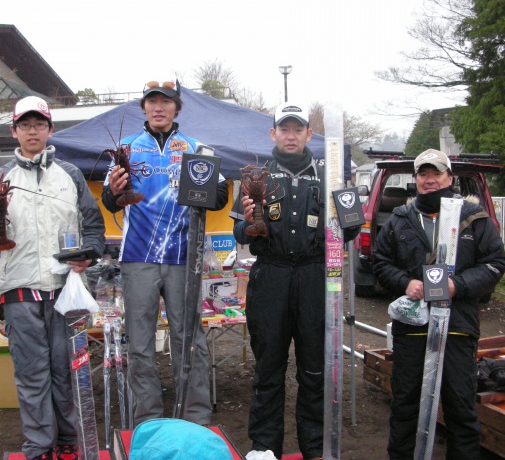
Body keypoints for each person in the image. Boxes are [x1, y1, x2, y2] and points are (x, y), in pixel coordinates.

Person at [0, 96, 106, 460]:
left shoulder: (71, 174)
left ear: (50, 130)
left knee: (66, 371)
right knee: (32, 375)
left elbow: (94, 227)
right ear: (14, 130)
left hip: (65, 291)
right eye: (25, 125)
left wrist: (88, 255)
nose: (33, 131)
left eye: (39, 124)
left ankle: (68, 440)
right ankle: (38, 445)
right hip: (19, 292)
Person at [230, 103, 360, 460]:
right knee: (268, 369)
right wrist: (251, 219)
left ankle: (315, 448)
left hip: (314, 277)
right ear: (273, 133)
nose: (290, 135)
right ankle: (264, 448)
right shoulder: (255, 176)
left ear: (308, 134)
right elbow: (240, 234)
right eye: (284, 129)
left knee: (315, 370)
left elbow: (350, 230)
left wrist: (348, 215)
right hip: (269, 276)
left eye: (297, 129)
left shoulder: (330, 175)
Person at [102, 80, 229, 426]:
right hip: (138, 257)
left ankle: (196, 417)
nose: (159, 107)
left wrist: (201, 191)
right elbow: (109, 200)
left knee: (189, 340)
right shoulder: (125, 148)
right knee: (140, 343)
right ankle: (148, 419)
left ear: (177, 107)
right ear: (143, 107)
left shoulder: (196, 148)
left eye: (166, 102)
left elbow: (220, 197)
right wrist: (113, 192)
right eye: (152, 101)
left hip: (183, 258)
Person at [374, 149, 505, 460]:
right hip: (413, 328)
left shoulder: (473, 219)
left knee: (460, 407)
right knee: (405, 404)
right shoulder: (400, 220)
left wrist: (457, 285)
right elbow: (380, 263)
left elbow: (495, 263)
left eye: (436, 173)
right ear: (416, 179)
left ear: (449, 177)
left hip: (458, 328)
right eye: (423, 173)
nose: (430, 179)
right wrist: (405, 283)